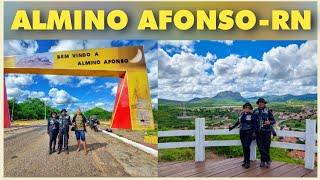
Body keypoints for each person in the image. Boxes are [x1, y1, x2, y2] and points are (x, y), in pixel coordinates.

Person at [229, 102, 255, 169]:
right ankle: (245, 160)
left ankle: (248, 162)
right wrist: (232, 127)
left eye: (248, 107)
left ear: (250, 109)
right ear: (243, 108)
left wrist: (254, 133)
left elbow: (254, 124)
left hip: (249, 132)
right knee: (244, 147)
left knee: (247, 146)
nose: (246, 108)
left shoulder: (252, 115)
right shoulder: (241, 114)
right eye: (245, 107)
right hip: (242, 132)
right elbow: (238, 122)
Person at [252, 98, 276, 168]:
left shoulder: (268, 111)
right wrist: (253, 131)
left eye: (262, 102)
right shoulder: (255, 111)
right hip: (258, 132)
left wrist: (269, 122)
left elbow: (273, 121)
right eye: (259, 102)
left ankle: (263, 161)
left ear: (264, 103)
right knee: (260, 147)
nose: (261, 103)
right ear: (258, 103)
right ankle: (267, 160)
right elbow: (253, 123)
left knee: (266, 147)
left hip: (267, 132)